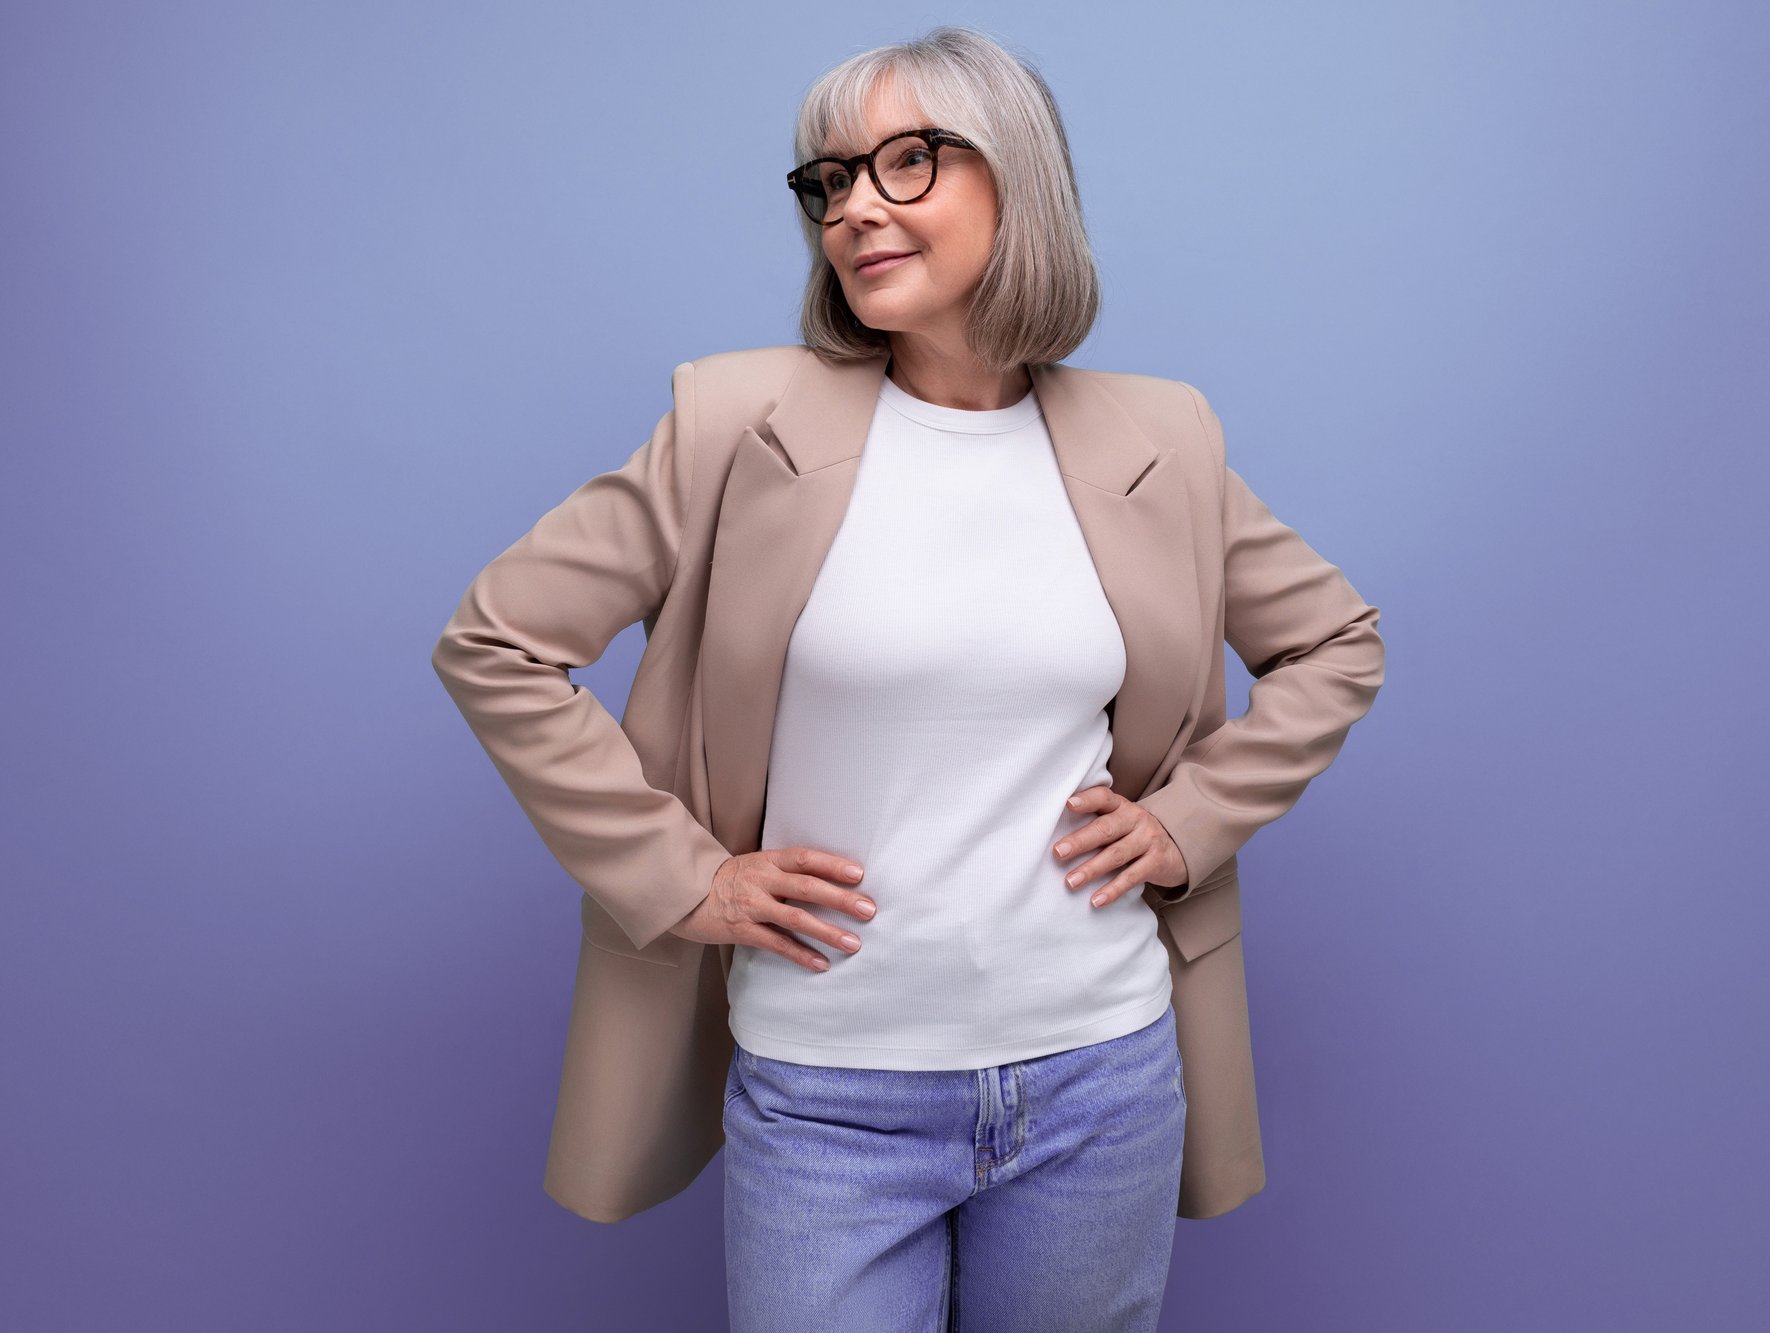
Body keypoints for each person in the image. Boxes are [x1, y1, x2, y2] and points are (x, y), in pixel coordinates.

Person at [432, 24, 1385, 1333]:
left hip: (1098, 1077)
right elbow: (497, 639)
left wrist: (1185, 824)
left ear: (1019, 178)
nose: (854, 208)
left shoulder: (1160, 438)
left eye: (906, 162)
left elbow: (1339, 643)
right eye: (830, 181)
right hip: (828, 1094)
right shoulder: (733, 424)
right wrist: (684, 876)